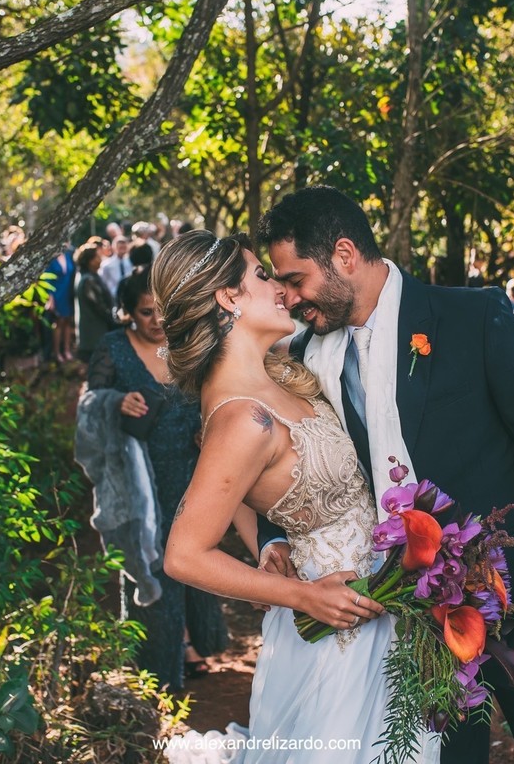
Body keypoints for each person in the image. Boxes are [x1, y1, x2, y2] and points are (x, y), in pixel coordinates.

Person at [255, 186, 514, 764]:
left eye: (296, 279)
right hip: (407, 617)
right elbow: (277, 457)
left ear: (344, 255)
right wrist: (275, 536)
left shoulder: (473, 318)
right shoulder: (302, 352)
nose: (290, 297)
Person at [151, 230, 434, 762]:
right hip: (337, 625)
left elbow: (238, 489)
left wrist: (265, 540)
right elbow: (183, 555)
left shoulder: (278, 375)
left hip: (380, 601)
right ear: (228, 298)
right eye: (262, 275)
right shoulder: (243, 418)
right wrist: (304, 596)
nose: (280, 287)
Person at [77, 266, 229, 692]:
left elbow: (217, 393)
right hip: (139, 476)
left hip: (191, 468)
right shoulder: (112, 348)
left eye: (163, 311)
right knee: (151, 558)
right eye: (146, 313)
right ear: (127, 312)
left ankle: (189, 639)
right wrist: (115, 401)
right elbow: (89, 402)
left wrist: (210, 428)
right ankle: (160, 662)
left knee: (193, 551)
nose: (157, 322)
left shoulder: (186, 345)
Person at [73, 241, 117, 363]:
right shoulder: (88, 280)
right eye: (97, 257)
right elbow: (99, 306)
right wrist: (115, 322)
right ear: (90, 261)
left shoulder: (88, 276)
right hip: (94, 334)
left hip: (96, 333)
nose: (100, 259)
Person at [43, 245, 76, 363]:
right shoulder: (50, 259)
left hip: (68, 293)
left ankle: (66, 350)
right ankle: (57, 352)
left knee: (68, 321)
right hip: (57, 294)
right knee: (58, 323)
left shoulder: (68, 256)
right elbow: (47, 280)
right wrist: (50, 298)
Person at [100, 235, 134, 299]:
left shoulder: (130, 262)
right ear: (114, 247)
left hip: (128, 296)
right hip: (113, 297)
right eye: (120, 247)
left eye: (124, 246)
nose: (122, 249)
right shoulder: (106, 265)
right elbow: (103, 283)